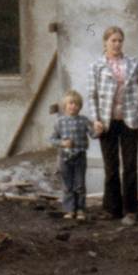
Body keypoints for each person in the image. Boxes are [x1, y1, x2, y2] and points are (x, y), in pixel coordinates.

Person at [86, 25, 138, 226]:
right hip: (107, 123)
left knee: (130, 166)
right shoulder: (96, 66)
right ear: (105, 42)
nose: (117, 44)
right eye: (113, 40)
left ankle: (130, 210)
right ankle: (111, 209)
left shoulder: (132, 64)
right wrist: (96, 120)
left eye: (120, 40)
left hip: (130, 120)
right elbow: (92, 95)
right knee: (111, 167)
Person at [49, 89, 93, 221]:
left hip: (80, 156)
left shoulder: (84, 121)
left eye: (76, 104)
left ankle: (80, 209)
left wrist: (98, 129)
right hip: (64, 158)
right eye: (71, 103)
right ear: (65, 105)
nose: (73, 106)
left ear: (80, 107)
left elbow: (94, 134)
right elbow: (52, 139)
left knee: (79, 185)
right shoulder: (60, 122)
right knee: (67, 185)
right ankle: (69, 210)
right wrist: (62, 143)